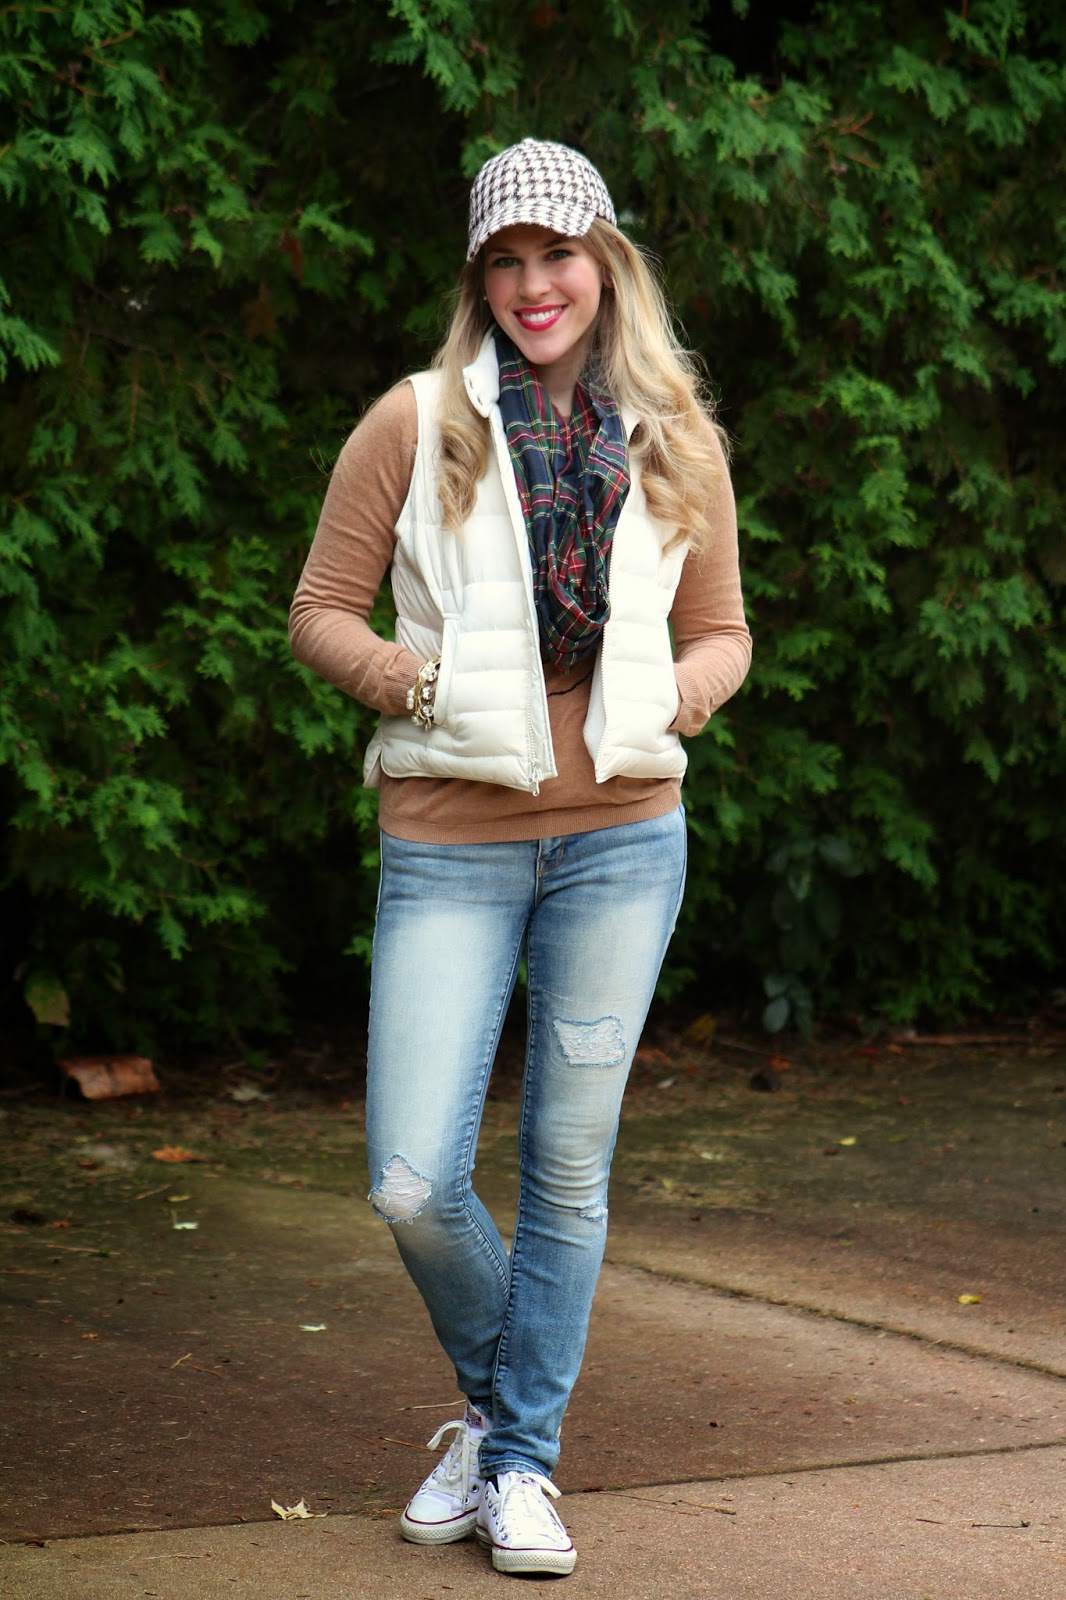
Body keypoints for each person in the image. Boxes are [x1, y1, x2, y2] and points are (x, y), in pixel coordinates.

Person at [289, 137, 752, 1579]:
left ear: (603, 260)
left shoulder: (673, 436)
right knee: (413, 1180)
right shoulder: (415, 423)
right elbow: (318, 611)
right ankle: (505, 1433)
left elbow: (722, 629)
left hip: (623, 844)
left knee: (564, 1169)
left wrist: (683, 695)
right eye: (506, 259)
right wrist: (412, 685)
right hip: (450, 847)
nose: (533, 283)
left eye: (556, 254)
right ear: (478, 278)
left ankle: (520, 1468)